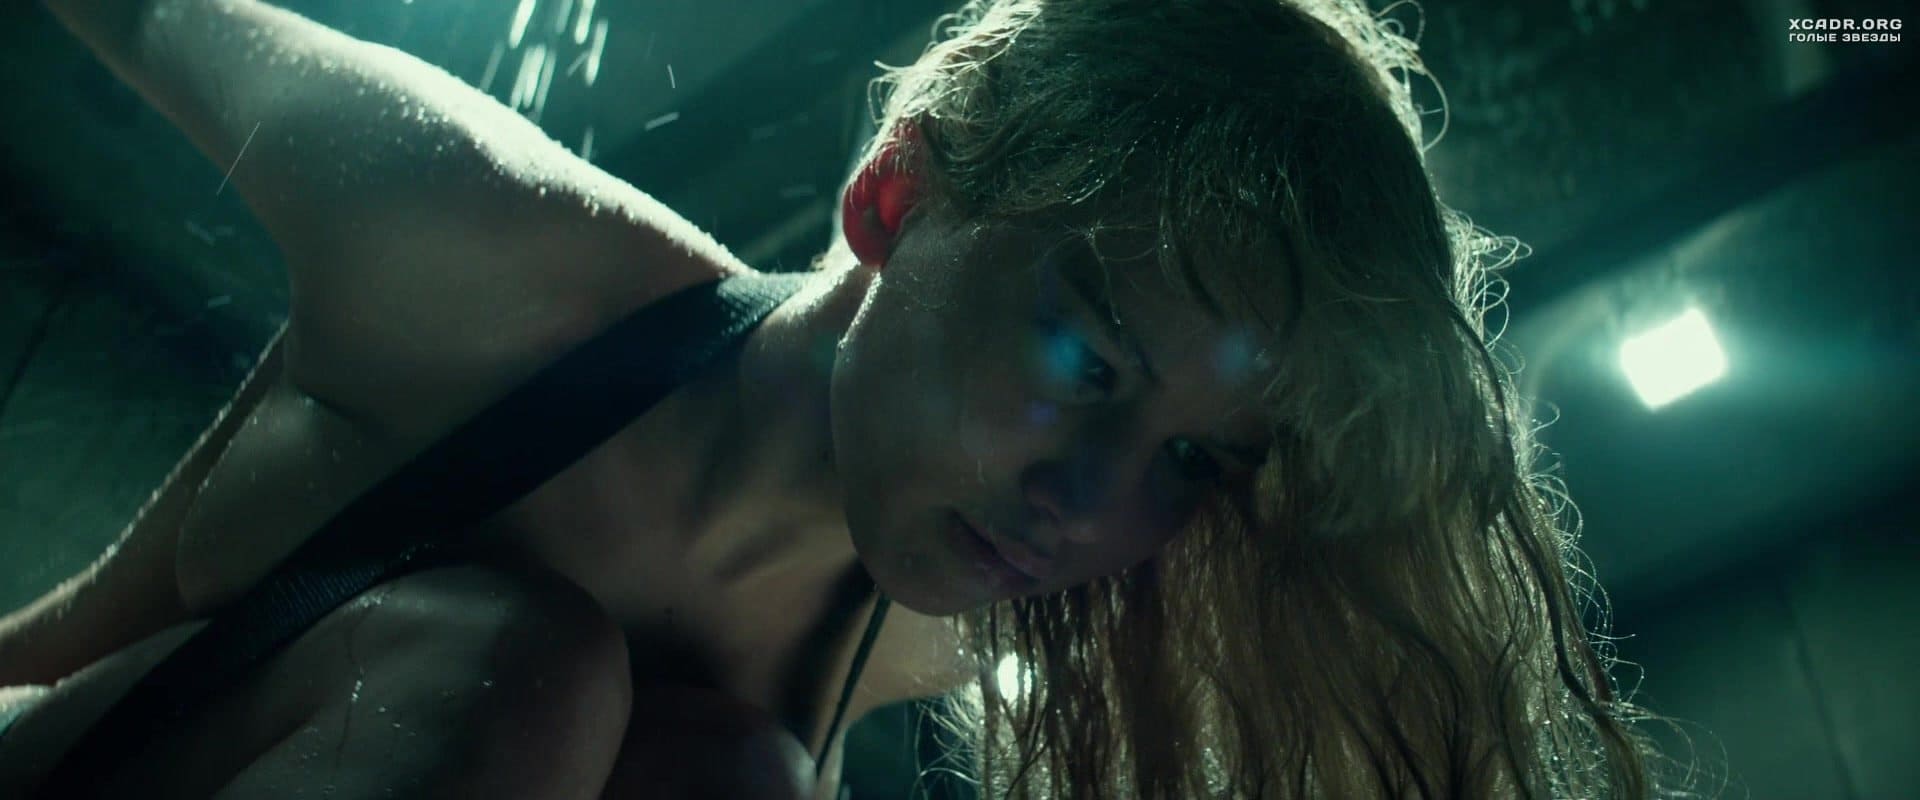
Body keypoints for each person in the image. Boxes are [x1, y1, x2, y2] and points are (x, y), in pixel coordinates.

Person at [0, 0, 1674, 797]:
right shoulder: (486, 247)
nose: (1091, 506)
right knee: (519, 672)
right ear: (894, 199)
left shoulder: (959, 637)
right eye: (1088, 363)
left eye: (1190, 461)